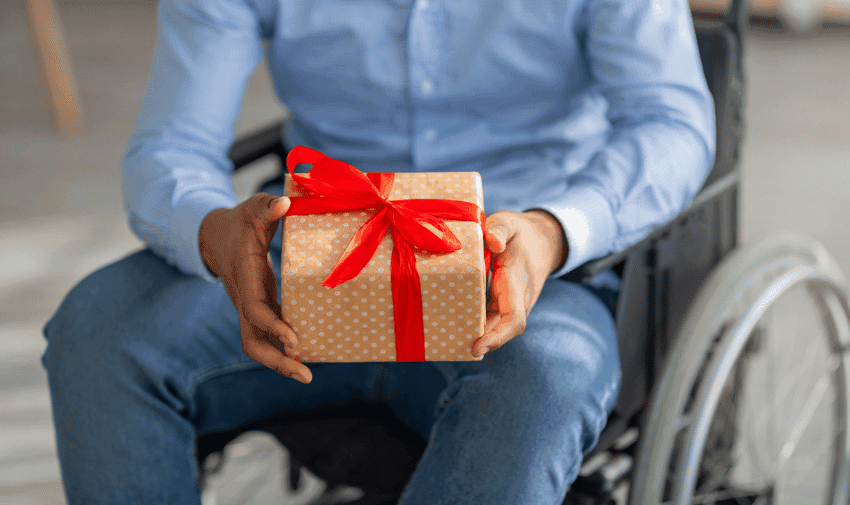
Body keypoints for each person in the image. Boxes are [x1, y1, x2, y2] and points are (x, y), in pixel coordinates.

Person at [42, 0, 715, 503]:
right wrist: (213, 231)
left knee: (542, 382)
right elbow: (174, 145)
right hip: (311, 261)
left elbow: (671, 123)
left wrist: (554, 228)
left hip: (516, 263)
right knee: (100, 333)